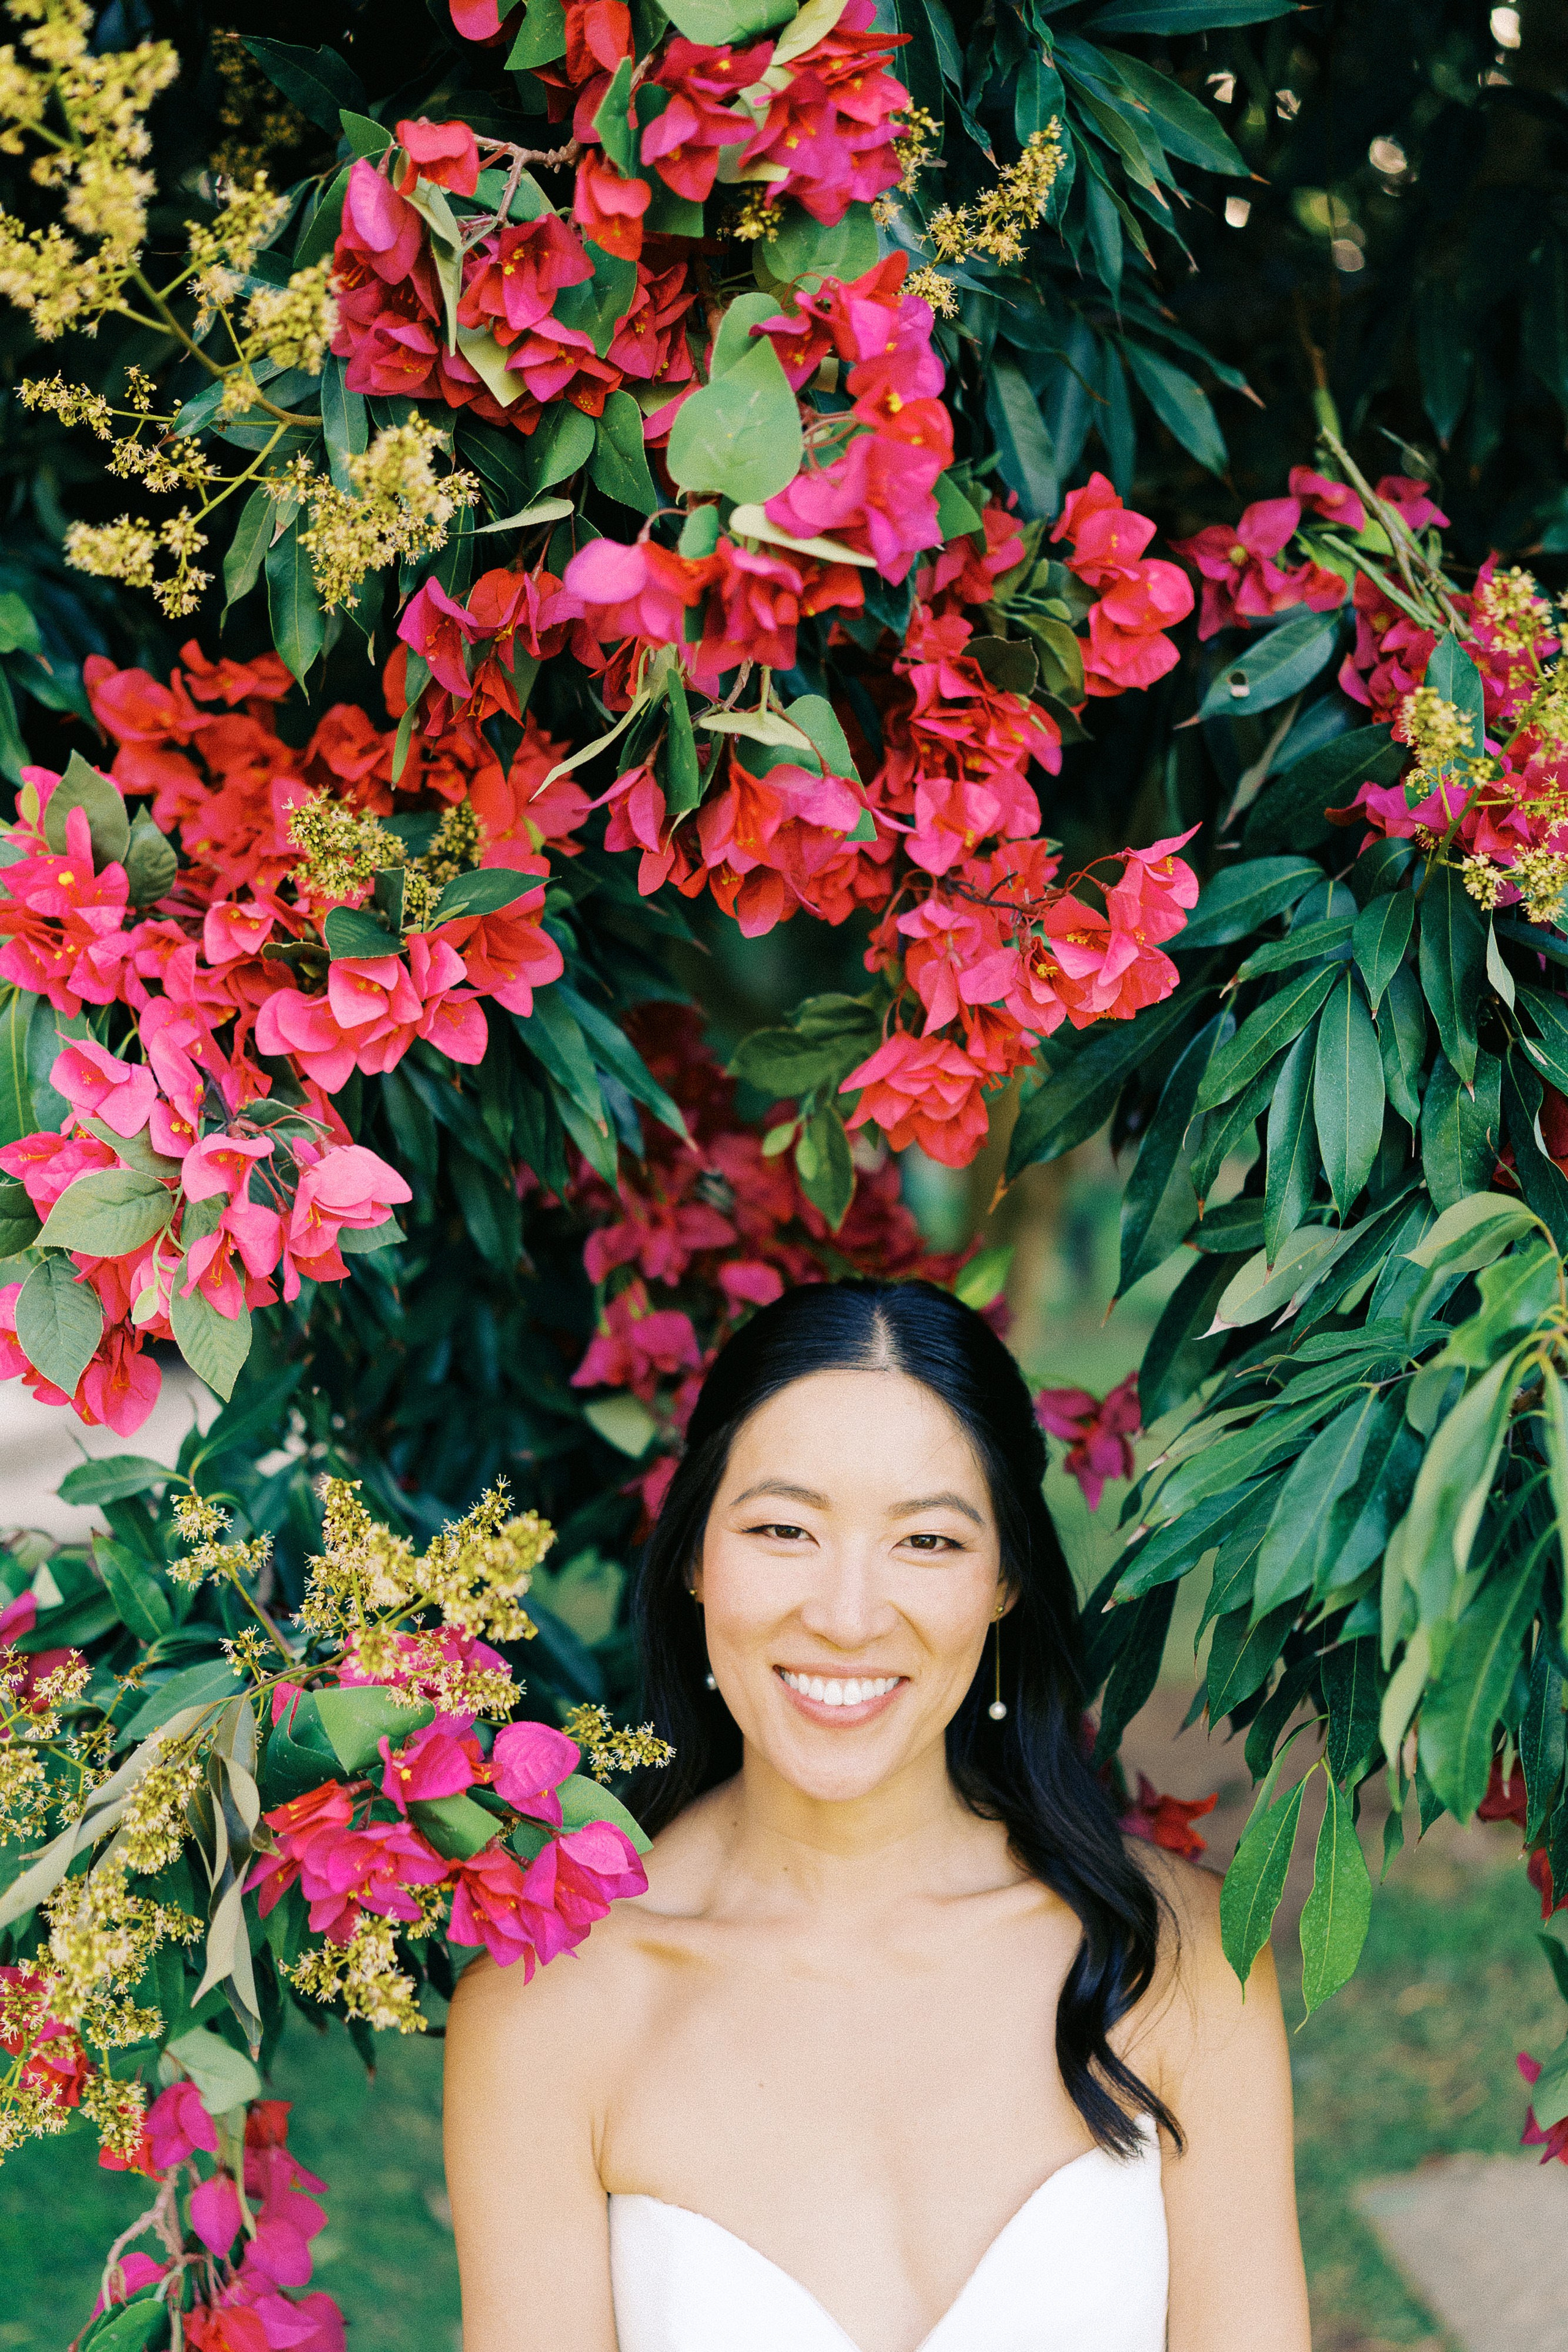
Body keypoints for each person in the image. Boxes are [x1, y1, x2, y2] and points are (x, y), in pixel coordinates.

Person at [444, 1278, 1311, 2351]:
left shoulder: (1173, 1962)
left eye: (929, 1542)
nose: (847, 1617)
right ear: (694, 1562)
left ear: (1004, 1583)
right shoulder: (553, 2005)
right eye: (783, 1529)